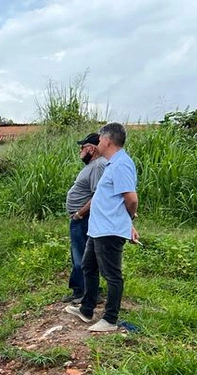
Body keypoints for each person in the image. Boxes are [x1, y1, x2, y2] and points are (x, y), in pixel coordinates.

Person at [65, 122, 139, 332]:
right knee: (88, 266)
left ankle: (110, 319)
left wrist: (128, 221)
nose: (97, 143)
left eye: (99, 139)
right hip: (98, 229)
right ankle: (86, 309)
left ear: (107, 140)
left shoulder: (122, 164)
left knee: (112, 274)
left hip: (110, 229)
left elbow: (131, 199)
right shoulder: (111, 164)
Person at [62, 132, 107, 304]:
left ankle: (86, 293)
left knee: (82, 257)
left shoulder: (97, 166)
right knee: (80, 256)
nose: (80, 151)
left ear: (91, 149)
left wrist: (80, 213)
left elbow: (98, 195)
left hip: (83, 219)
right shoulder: (93, 165)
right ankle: (81, 290)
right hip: (79, 219)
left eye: (82, 148)